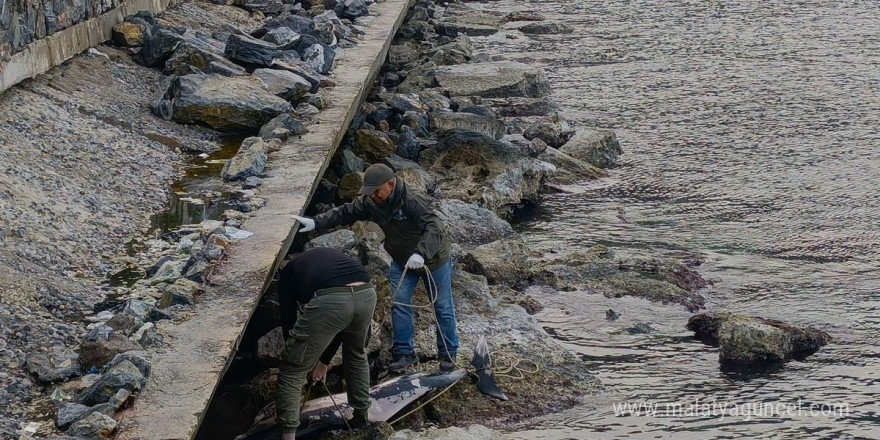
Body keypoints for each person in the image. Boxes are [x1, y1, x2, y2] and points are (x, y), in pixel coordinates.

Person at [292, 163, 459, 373]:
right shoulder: (372, 202)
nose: (372, 196)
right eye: (369, 193)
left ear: (390, 184)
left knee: (442, 307)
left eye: (376, 192)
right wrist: (316, 222)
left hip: (434, 261)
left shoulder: (413, 200)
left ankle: (448, 354)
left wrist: (421, 253)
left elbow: (435, 226)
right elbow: (347, 211)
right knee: (399, 304)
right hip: (401, 260)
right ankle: (405, 354)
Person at [275, 247, 377, 440]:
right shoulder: (324, 260)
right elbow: (340, 326)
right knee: (356, 356)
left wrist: (303, 358)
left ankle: (287, 435)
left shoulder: (287, 276)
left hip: (333, 300)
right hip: (366, 293)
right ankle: (361, 417)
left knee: (292, 370)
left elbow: (289, 323)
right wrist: (322, 361)